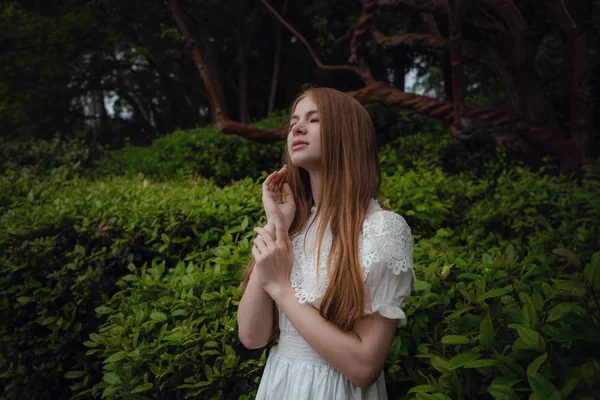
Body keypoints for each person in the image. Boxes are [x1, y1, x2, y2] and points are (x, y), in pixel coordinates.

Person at [237, 86, 415, 400]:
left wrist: (281, 288)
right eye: (294, 122)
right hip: (281, 385)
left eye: (314, 119)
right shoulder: (295, 225)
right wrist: (277, 225)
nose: (297, 128)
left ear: (347, 136)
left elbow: (363, 368)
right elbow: (252, 337)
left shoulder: (381, 229)